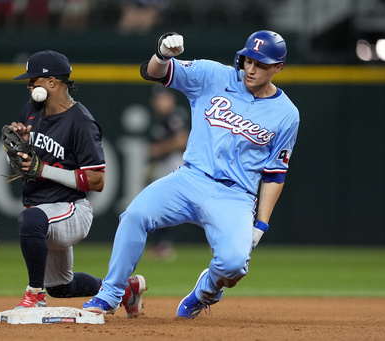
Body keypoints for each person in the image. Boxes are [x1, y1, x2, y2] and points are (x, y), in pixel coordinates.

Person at [82, 30, 299, 319]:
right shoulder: (213, 75)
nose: (251, 68)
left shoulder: (287, 114)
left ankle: (205, 292)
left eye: (260, 63)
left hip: (235, 196)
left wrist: (261, 224)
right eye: (248, 60)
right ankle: (111, 293)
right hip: (190, 178)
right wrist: (161, 54)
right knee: (134, 215)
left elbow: (275, 173)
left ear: (278, 67)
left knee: (234, 266)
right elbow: (153, 73)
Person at [7, 50, 146, 317]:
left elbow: (97, 180)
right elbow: (30, 167)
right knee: (61, 287)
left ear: (52, 82)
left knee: (30, 220)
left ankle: (35, 295)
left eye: (33, 80)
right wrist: (22, 151)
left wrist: (43, 170)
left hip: (72, 210)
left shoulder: (81, 121)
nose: (28, 85)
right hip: (42, 209)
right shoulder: (31, 111)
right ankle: (127, 291)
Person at [145, 85, 189, 259]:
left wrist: (160, 149)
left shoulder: (173, 118)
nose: (160, 102)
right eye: (158, 99)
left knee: (169, 206)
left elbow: (182, 140)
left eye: (164, 99)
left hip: (175, 165)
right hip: (164, 166)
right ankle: (161, 244)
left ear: (171, 100)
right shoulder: (159, 119)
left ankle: (163, 245)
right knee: (160, 207)